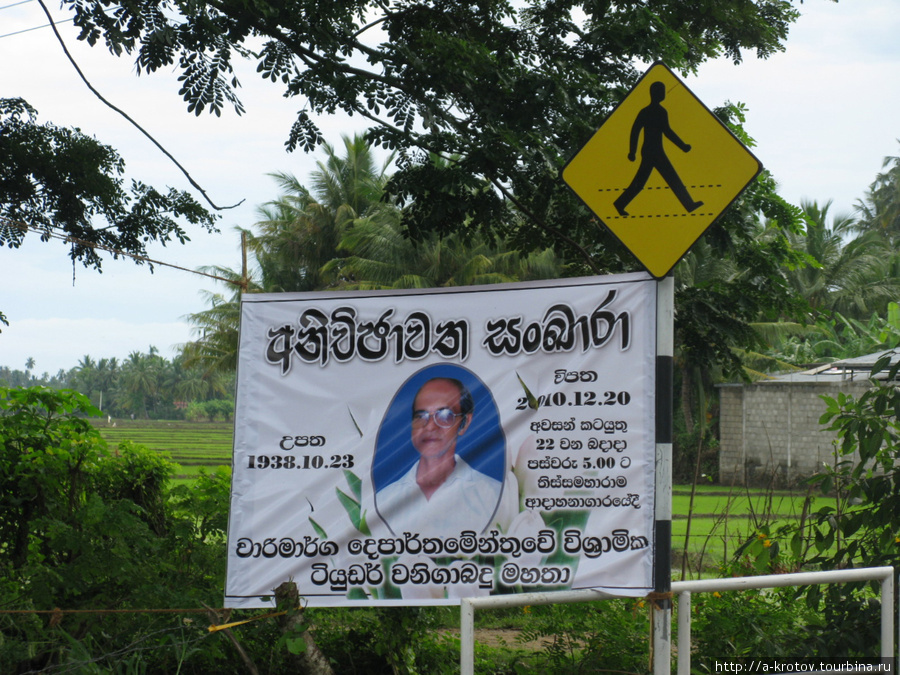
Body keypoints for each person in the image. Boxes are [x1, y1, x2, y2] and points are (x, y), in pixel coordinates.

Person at [376, 377, 502, 538]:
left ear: (464, 423)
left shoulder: (493, 497)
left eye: (444, 415)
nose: (429, 426)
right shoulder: (383, 502)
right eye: (421, 416)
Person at [613, 80, 704, 217]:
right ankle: (689, 204)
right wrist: (632, 151)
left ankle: (620, 203)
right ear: (654, 93)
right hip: (652, 152)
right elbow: (637, 130)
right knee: (667, 178)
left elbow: (664, 131)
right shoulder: (654, 111)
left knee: (649, 180)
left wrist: (682, 146)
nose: (663, 93)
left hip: (654, 150)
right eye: (661, 91)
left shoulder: (656, 111)